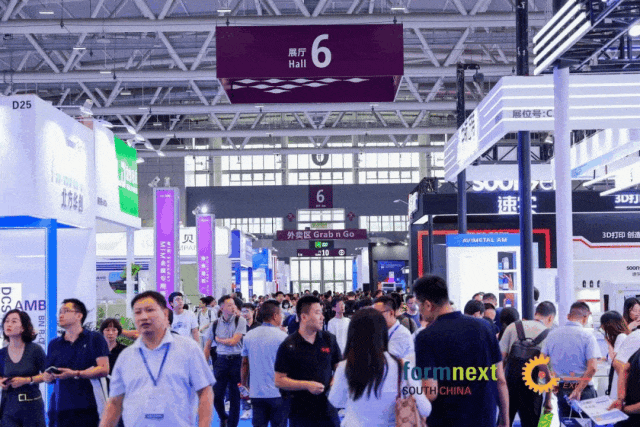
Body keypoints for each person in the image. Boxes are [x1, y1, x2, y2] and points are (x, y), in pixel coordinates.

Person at [99, 291, 214, 427]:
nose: (144, 317)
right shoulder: (126, 356)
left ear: (165, 314)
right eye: (138, 312)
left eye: (150, 310)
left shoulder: (188, 349)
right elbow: (114, 402)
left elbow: (205, 391)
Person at [413, 275, 509, 427]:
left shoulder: (425, 337)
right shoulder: (484, 328)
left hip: (445, 420)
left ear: (428, 304)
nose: (420, 312)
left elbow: (430, 392)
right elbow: (500, 379)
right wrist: (505, 421)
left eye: (419, 306)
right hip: (484, 418)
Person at [328, 308, 431, 427]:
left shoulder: (345, 367)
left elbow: (336, 401)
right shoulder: (402, 366)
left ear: (352, 334)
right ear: (383, 332)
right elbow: (425, 409)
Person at [274, 295, 342, 427]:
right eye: (317, 313)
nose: (322, 317)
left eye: (322, 312)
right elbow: (279, 380)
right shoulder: (288, 345)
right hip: (300, 412)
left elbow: (339, 367)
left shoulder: (329, 339)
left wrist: (334, 382)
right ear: (304, 317)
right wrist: (306, 385)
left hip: (328, 409)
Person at [44, 299, 110, 427]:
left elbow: (104, 369)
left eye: (66, 311)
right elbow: (47, 375)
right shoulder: (54, 344)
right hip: (60, 407)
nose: (61, 315)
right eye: (60, 312)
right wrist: (47, 377)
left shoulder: (94, 338)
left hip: (89, 406)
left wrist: (75, 373)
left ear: (79, 315)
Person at [500, 301, 556, 427]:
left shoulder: (513, 327)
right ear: (550, 318)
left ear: (535, 314)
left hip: (509, 388)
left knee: (503, 424)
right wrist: (548, 401)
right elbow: (550, 374)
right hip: (534, 392)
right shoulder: (550, 335)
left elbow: (500, 360)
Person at [541, 301, 601, 419]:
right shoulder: (587, 336)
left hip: (562, 390)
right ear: (585, 317)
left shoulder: (552, 335)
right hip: (584, 391)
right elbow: (593, 367)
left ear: (568, 316)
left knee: (566, 423)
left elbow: (540, 362)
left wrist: (551, 381)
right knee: (586, 423)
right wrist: (578, 390)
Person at [241, 300, 289, 427]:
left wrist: (244, 385)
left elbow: (245, 363)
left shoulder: (249, 335)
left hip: (256, 393)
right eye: (281, 314)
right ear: (275, 316)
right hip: (278, 393)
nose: (282, 317)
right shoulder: (283, 337)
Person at [205, 295, 247, 427]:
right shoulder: (215, 324)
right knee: (216, 395)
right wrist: (204, 366)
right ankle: (223, 417)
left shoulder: (240, 320)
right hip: (221, 361)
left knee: (235, 396)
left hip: (236, 361)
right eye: (229, 305)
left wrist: (219, 340)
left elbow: (234, 341)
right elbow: (207, 346)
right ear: (222, 308)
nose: (233, 307)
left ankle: (232, 425)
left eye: (234, 304)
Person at [0, 309, 46, 427]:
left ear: (23, 328)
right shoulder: (2, 353)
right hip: (9, 406)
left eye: (14, 321)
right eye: (6, 321)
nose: (9, 324)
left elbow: (48, 375)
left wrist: (27, 380)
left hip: (32, 405)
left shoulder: (35, 349)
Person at [599, 311, 629, 400]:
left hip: (618, 378)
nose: (602, 327)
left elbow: (613, 360)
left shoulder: (621, 337)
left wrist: (608, 343)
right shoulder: (622, 336)